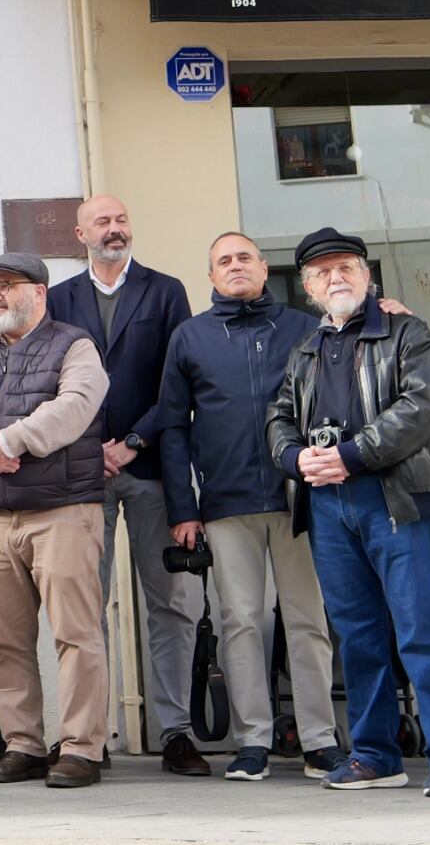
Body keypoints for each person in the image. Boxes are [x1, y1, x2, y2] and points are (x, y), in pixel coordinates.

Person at [268, 227, 430, 798]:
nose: (336, 279)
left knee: (419, 631)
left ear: (367, 275)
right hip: (330, 507)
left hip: (398, 499)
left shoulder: (407, 332)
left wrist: (351, 455)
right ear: (308, 288)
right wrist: (296, 456)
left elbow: (423, 405)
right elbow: (278, 416)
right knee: (357, 636)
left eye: (346, 268)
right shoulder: (305, 351)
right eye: (323, 273)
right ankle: (375, 755)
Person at [158, 232, 346, 783]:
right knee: (241, 621)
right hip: (224, 502)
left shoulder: (305, 328)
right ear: (211, 276)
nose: (235, 266)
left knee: (308, 619)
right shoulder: (189, 337)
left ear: (264, 269)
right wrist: (181, 506)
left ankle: (319, 739)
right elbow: (172, 426)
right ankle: (253, 741)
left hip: (302, 498)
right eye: (223, 260)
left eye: (245, 257)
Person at [0, 251, 110, 789]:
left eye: (9, 286)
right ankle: (24, 744)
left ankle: (82, 748)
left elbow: (77, 405)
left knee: (76, 634)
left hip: (61, 510)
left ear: (40, 292)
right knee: (3, 640)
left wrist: (10, 440)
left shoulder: (74, 344)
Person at [46, 196, 204, 776]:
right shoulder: (57, 299)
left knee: (169, 604)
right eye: (103, 222)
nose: (114, 230)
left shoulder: (165, 291)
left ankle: (176, 733)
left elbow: (179, 381)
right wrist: (92, 448)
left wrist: (131, 441)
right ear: (79, 232)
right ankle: (93, 734)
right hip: (81, 476)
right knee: (86, 610)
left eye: (121, 220)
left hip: (151, 467)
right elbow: (50, 385)